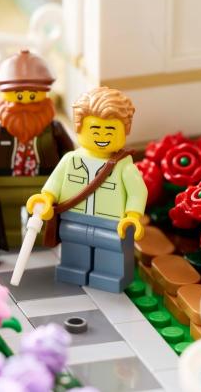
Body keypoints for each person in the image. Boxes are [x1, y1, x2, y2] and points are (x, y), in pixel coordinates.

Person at [26, 87, 148, 293]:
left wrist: (133, 216)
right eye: (95, 130)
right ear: (79, 129)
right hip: (74, 218)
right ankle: (74, 269)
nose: (102, 136)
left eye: (110, 130)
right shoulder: (70, 160)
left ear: (125, 131)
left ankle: (110, 276)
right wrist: (45, 199)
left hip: (112, 223)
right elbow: (54, 184)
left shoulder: (123, 166)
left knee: (111, 250)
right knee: (75, 246)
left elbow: (138, 192)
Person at [0, 50, 74, 247]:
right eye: (18, 94)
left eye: (32, 94)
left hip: (45, 184)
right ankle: (12, 245)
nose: (25, 100)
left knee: (42, 221)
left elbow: (69, 154)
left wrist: (69, 176)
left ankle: (42, 246)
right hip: (5, 182)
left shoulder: (54, 128)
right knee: (8, 223)